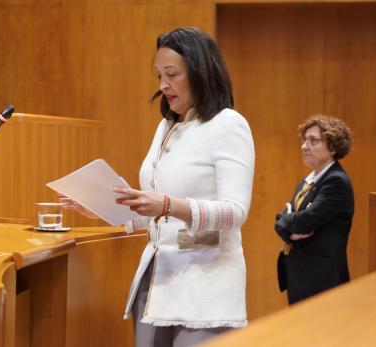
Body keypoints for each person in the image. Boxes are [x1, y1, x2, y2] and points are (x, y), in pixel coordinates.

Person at [63, 27, 255, 346]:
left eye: (171, 74)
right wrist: (104, 207)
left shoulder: (228, 124)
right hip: (156, 281)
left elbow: (235, 213)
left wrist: (167, 205)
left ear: (201, 72)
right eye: (158, 75)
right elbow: (155, 213)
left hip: (204, 290)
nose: (163, 85)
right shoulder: (166, 126)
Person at [275, 114, 354, 305]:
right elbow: (281, 222)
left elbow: (304, 221)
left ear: (333, 147)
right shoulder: (308, 180)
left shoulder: (336, 182)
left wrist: (290, 222)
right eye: (304, 140)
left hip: (321, 279)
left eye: (313, 141)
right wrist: (289, 227)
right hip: (300, 275)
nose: (304, 146)